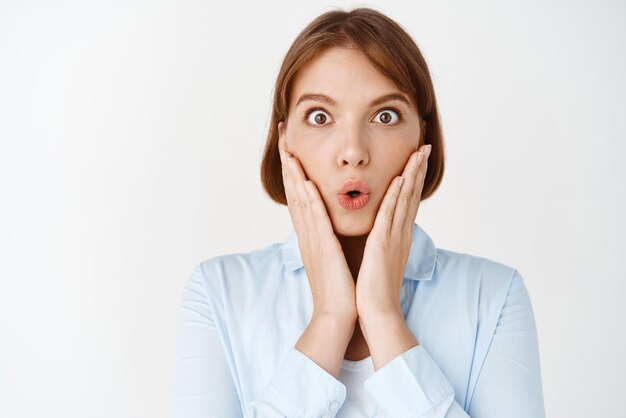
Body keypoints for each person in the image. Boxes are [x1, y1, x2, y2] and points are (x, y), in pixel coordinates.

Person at [168, 7, 545, 418]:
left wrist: (383, 316)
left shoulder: (493, 296)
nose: (353, 152)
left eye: (385, 116)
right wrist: (330, 318)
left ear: (424, 137)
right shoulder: (219, 293)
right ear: (283, 142)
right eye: (319, 116)